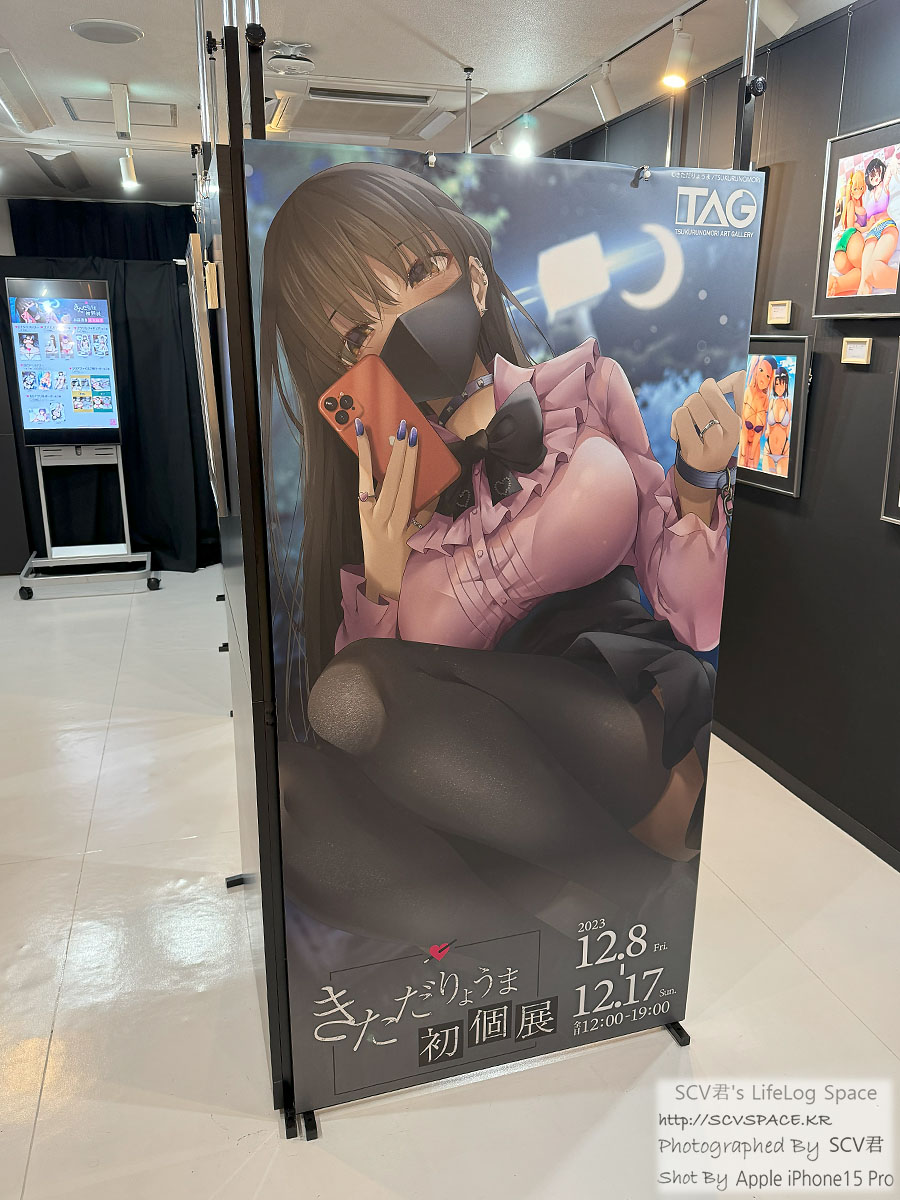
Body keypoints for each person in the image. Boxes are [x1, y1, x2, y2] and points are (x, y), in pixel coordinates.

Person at [260, 162, 742, 947]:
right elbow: (364, 726)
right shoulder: (391, 492)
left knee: (357, 690)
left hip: (619, 722)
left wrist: (696, 483)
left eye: (417, 273)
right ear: (345, 369)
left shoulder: (582, 393)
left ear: (474, 280)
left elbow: (696, 620)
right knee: (295, 786)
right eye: (357, 332)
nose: (403, 323)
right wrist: (381, 568)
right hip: (484, 787)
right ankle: (568, 925)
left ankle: (615, 889)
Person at [857, 155, 899, 297]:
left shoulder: (884, 186)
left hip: (886, 226)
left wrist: (892, 164)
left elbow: (888, 173)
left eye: (877, 173)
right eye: (872, 174)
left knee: (874, 271)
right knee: (864, 283)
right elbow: (865, 220)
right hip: (871, 233)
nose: (875, 177)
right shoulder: (869, 195)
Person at [827, 169, 867, 296]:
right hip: (850, 236)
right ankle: (836, 285)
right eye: (855, 188)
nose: (858, 191)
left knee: (859, 273)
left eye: (861, 188)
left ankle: (836, 285)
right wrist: (869, 226)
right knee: (865, 269)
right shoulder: (851, 204)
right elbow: (851, 227)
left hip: (841, 250)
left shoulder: (860, 203)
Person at [740, 355, 774, 469]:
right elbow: (743, 428)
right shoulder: (748, 392)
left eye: (768, 376)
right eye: (761, 370)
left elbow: (759, 433)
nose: (764, 378)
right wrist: (743, 453)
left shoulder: (766, 400)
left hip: (755, 448)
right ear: (755, 369)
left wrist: (750, 457)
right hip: (743, 444)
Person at [763, 364, 792, 476]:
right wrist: (767, 430)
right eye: (777, 384)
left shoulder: (788, 403)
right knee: (765, 480)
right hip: (768, 449)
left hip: (784, 450)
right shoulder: (771, 402)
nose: (779, 387)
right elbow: (767, 425)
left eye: (782, 384)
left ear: (786, 385)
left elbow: (789, 426)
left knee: (781, 480)